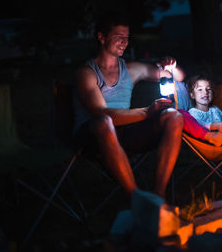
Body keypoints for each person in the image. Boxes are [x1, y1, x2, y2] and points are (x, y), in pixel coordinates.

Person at [72, 13, 184, 200]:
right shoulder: (86, 73)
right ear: (101, 37)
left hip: (125, 134)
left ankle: (158, 196)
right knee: (103, 122)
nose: (124, 42)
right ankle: (136, 198)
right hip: (92, 139)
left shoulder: (131, 69)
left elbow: (178, 77)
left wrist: (170, 66)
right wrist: (147, 112)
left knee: (174, 116)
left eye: (127, 38)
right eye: (118, 37)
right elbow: (101, 113)